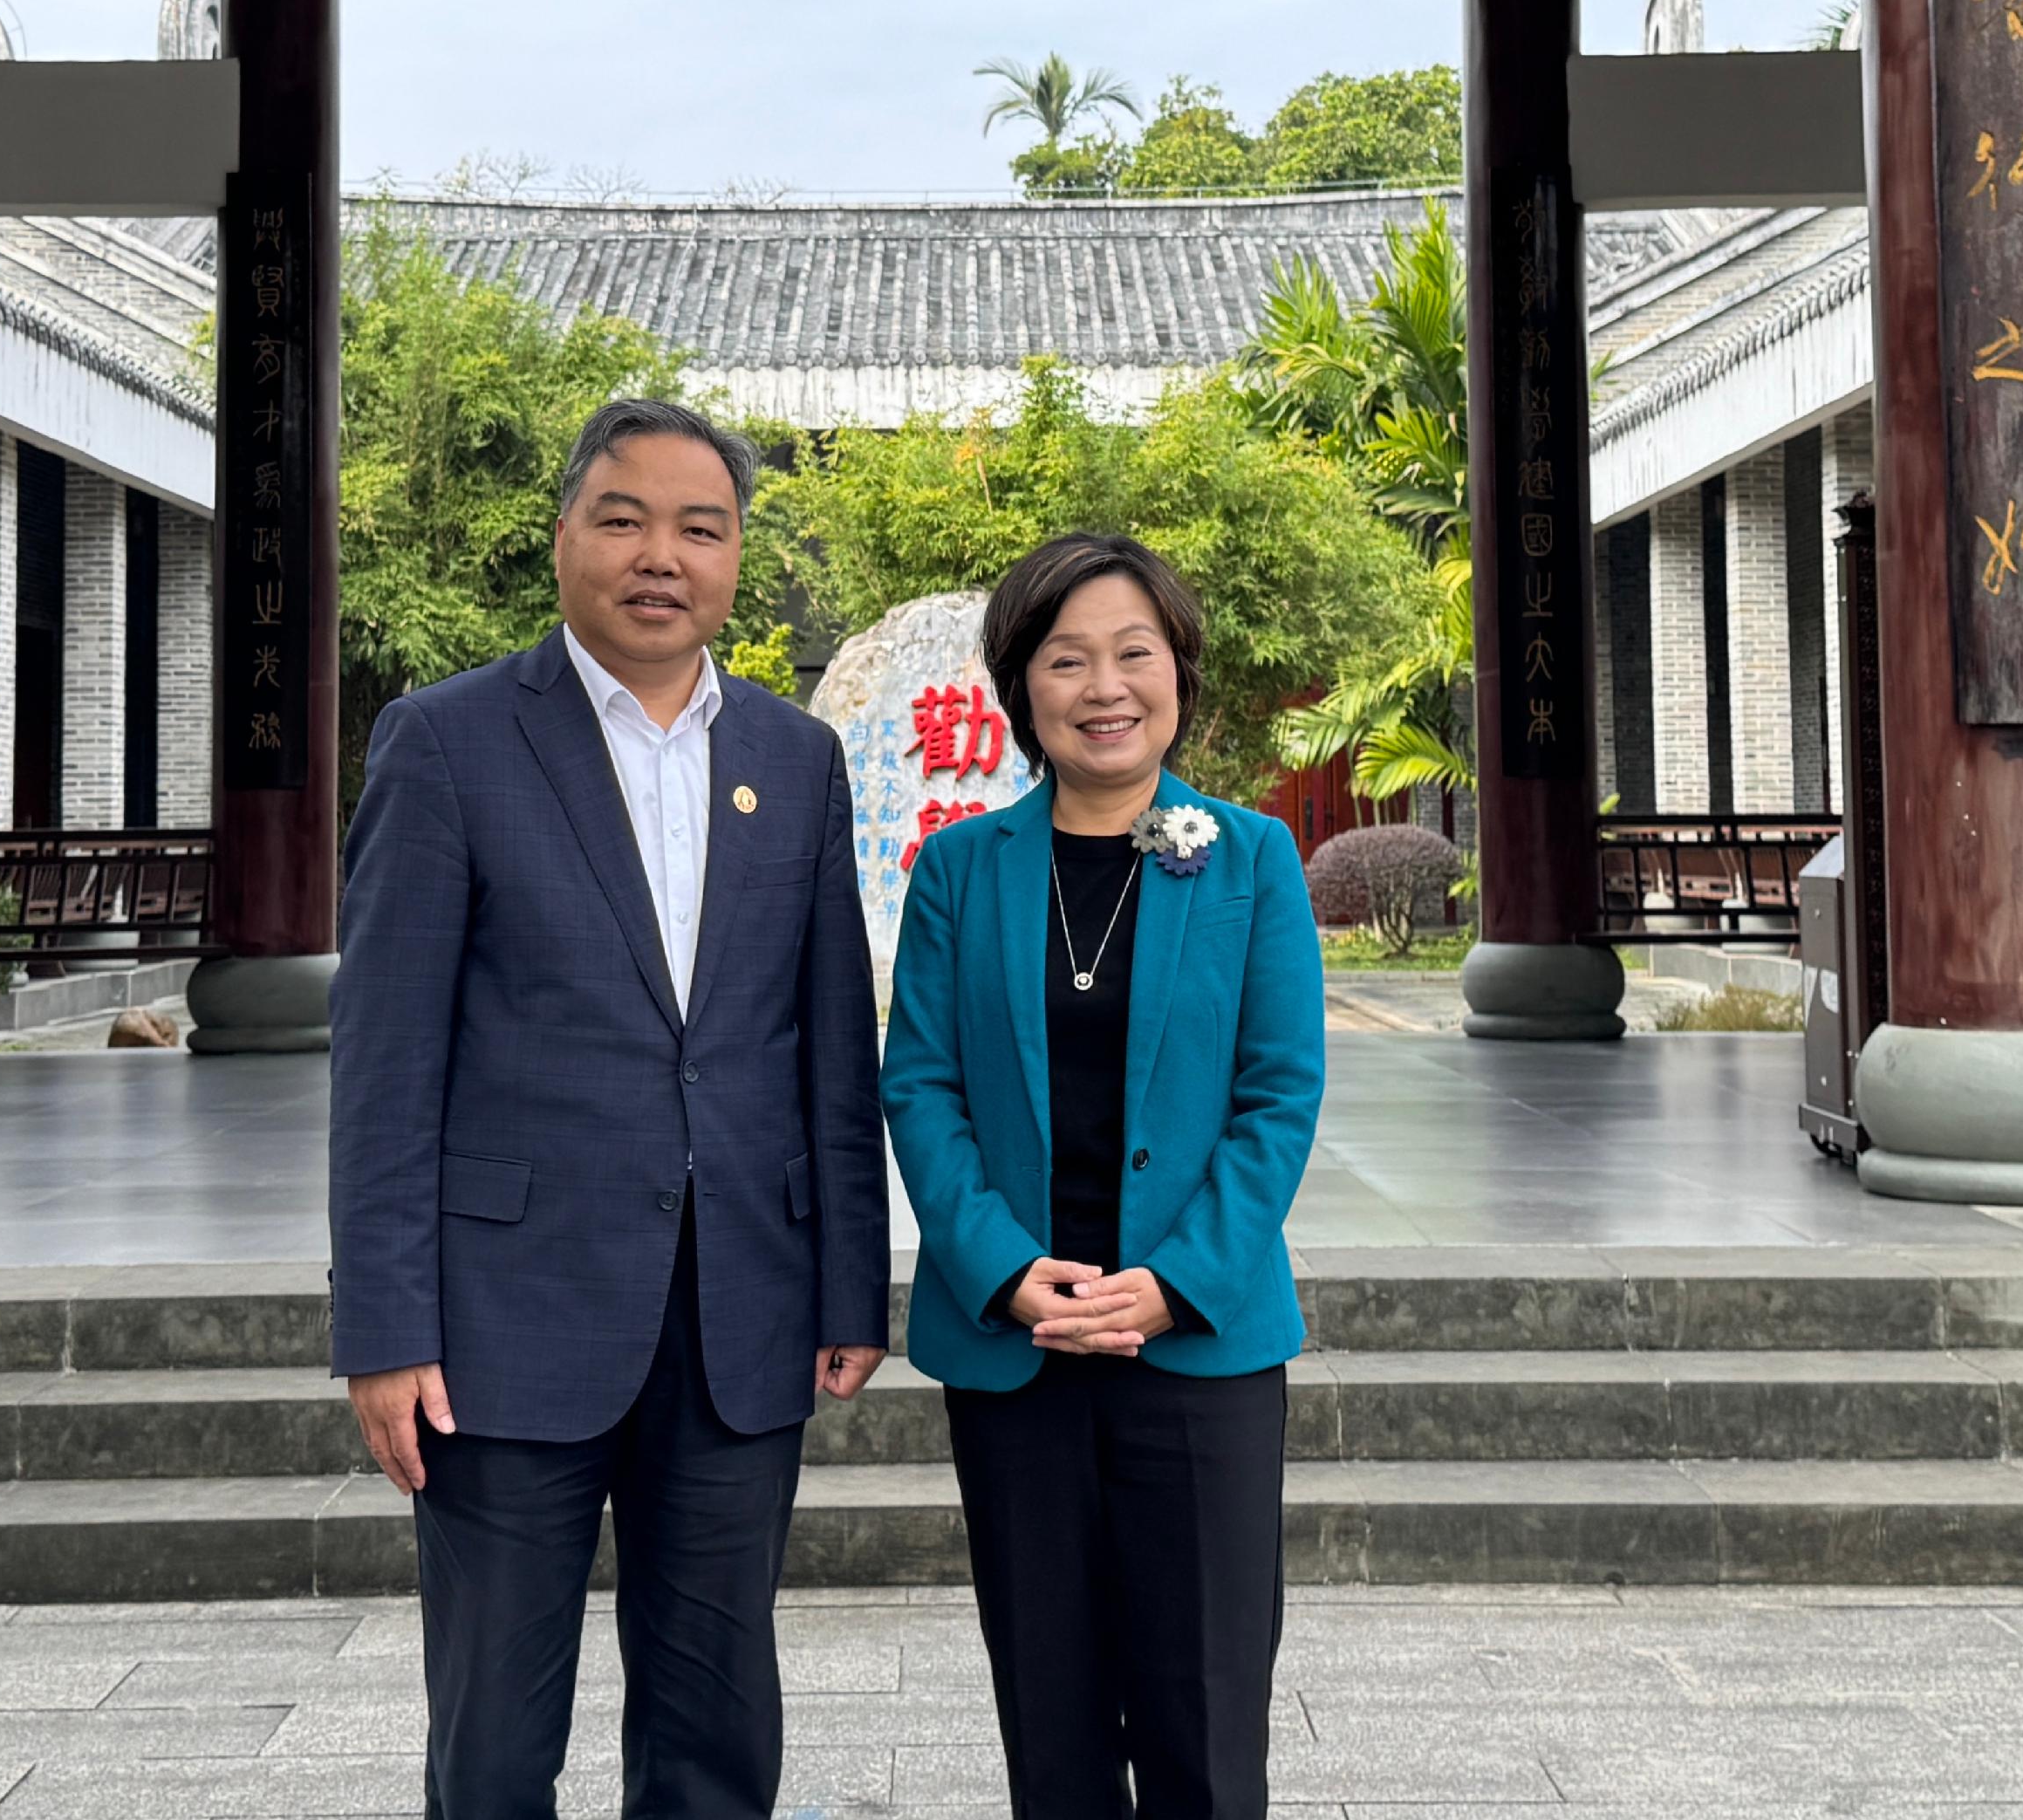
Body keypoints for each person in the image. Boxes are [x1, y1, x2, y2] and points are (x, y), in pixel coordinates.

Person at [329, 397, 889, 1820]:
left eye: (699, 528)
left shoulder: (793, 757)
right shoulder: (447, 741)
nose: (661, 556)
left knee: (714, 1733)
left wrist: (847, 1285)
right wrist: (384, 1331)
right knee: (499, 1742)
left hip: (739, 1319)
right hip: (504, 1324)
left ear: (736, 557)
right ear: (564, 535)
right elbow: (386, 1065)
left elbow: (826, 1045)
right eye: (623, 519)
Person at [881, 531, 1327, 1820]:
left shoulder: (1249, 860)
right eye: (1066, 658)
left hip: (1198, 1352)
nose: (1104, 685)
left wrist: (1174, 1282)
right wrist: (1009, 1274)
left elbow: (1277, 1096)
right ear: (1021, 689)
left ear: (1178, 672)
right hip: (1017, 1355)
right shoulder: (963, 870)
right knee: (1055, 1727)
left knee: (1204, 1722)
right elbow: (921, 1085)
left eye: (1134, 652)